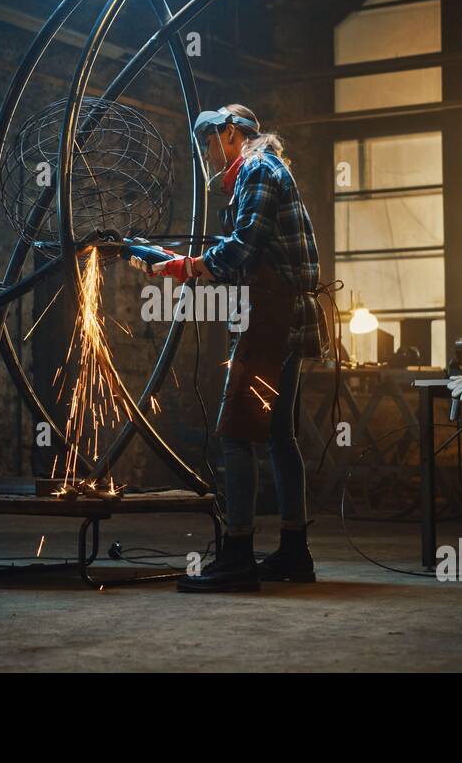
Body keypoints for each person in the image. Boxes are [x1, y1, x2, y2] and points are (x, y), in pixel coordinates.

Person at [134, 104, 328, 592]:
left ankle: (238, 556)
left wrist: (179, 268)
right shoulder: (265, 171)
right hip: (284, 315)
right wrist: (175, 260)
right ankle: (293, 553)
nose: (207, 153)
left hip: (271, 318)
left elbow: (240, 248)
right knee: (281, 437)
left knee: (237, 434)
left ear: (231, 133)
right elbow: (243, 249)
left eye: (209, 142)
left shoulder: (257, 170)